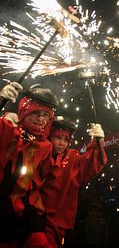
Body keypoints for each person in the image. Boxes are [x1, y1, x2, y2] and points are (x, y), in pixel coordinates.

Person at [0, 82, 58, 247]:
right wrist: (1, 100)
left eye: (45, 115)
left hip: (27, 211)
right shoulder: (8, 129)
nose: (41, 119)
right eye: (36, 113)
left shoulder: (46, 147)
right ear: (25, 111)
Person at [40, 116, 107, 248]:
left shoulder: (72, 158)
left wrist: (97, 142)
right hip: (36, 218)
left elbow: (90, 163)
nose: (62, 143)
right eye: (58, 138)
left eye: (66, 139)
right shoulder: (40, 151)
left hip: (59, 221)